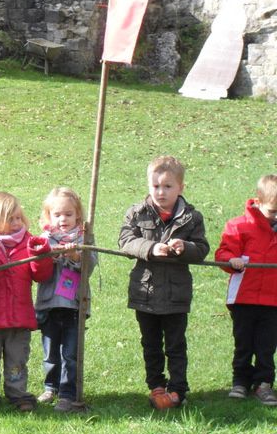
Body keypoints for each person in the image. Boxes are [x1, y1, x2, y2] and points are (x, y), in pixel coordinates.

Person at [119, 155, 209, 410]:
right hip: (144, 292)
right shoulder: (137, 213)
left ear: (180, 188)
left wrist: (185, 246)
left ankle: (178, 389)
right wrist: (149, 248)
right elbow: (125, 241)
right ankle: (156, 385)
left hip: (176, 294)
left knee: (176, 344)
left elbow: (202, 249)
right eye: (156, 186)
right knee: (150, 344)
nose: (161, 192)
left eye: (167, 186)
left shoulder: (191, 217)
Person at [0, 192, 52, 410]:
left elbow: (40, 275)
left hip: (19, 317)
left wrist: (40, 255)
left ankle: (18, 394)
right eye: (10, 219)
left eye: (18, 218)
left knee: (17, 359)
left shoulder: (29, 242)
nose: (16, 223)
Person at [215, 174, 277, 405]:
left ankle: (263, 383)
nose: (276, 217)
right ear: (258, 202)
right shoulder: (238, 226)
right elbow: (222, 254)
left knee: (267, 345)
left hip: (273, 301)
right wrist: (232, 260)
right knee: (243, 342)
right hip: (244, 298)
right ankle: (240, 381)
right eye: (272, 211)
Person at [34, 187, 97, 413]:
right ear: (48, 216)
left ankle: (68, 393)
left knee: (70, 353)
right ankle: (51, 387)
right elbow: (36, 269)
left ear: (78, 215)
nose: (63, 219)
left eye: (68, 214)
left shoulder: (84, 239)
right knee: (50, 352)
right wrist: (48, 255)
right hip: (50, 305)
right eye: (57, 214)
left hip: (74, 306)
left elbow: (89, 268)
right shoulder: (43, 239)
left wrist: (75, 255)